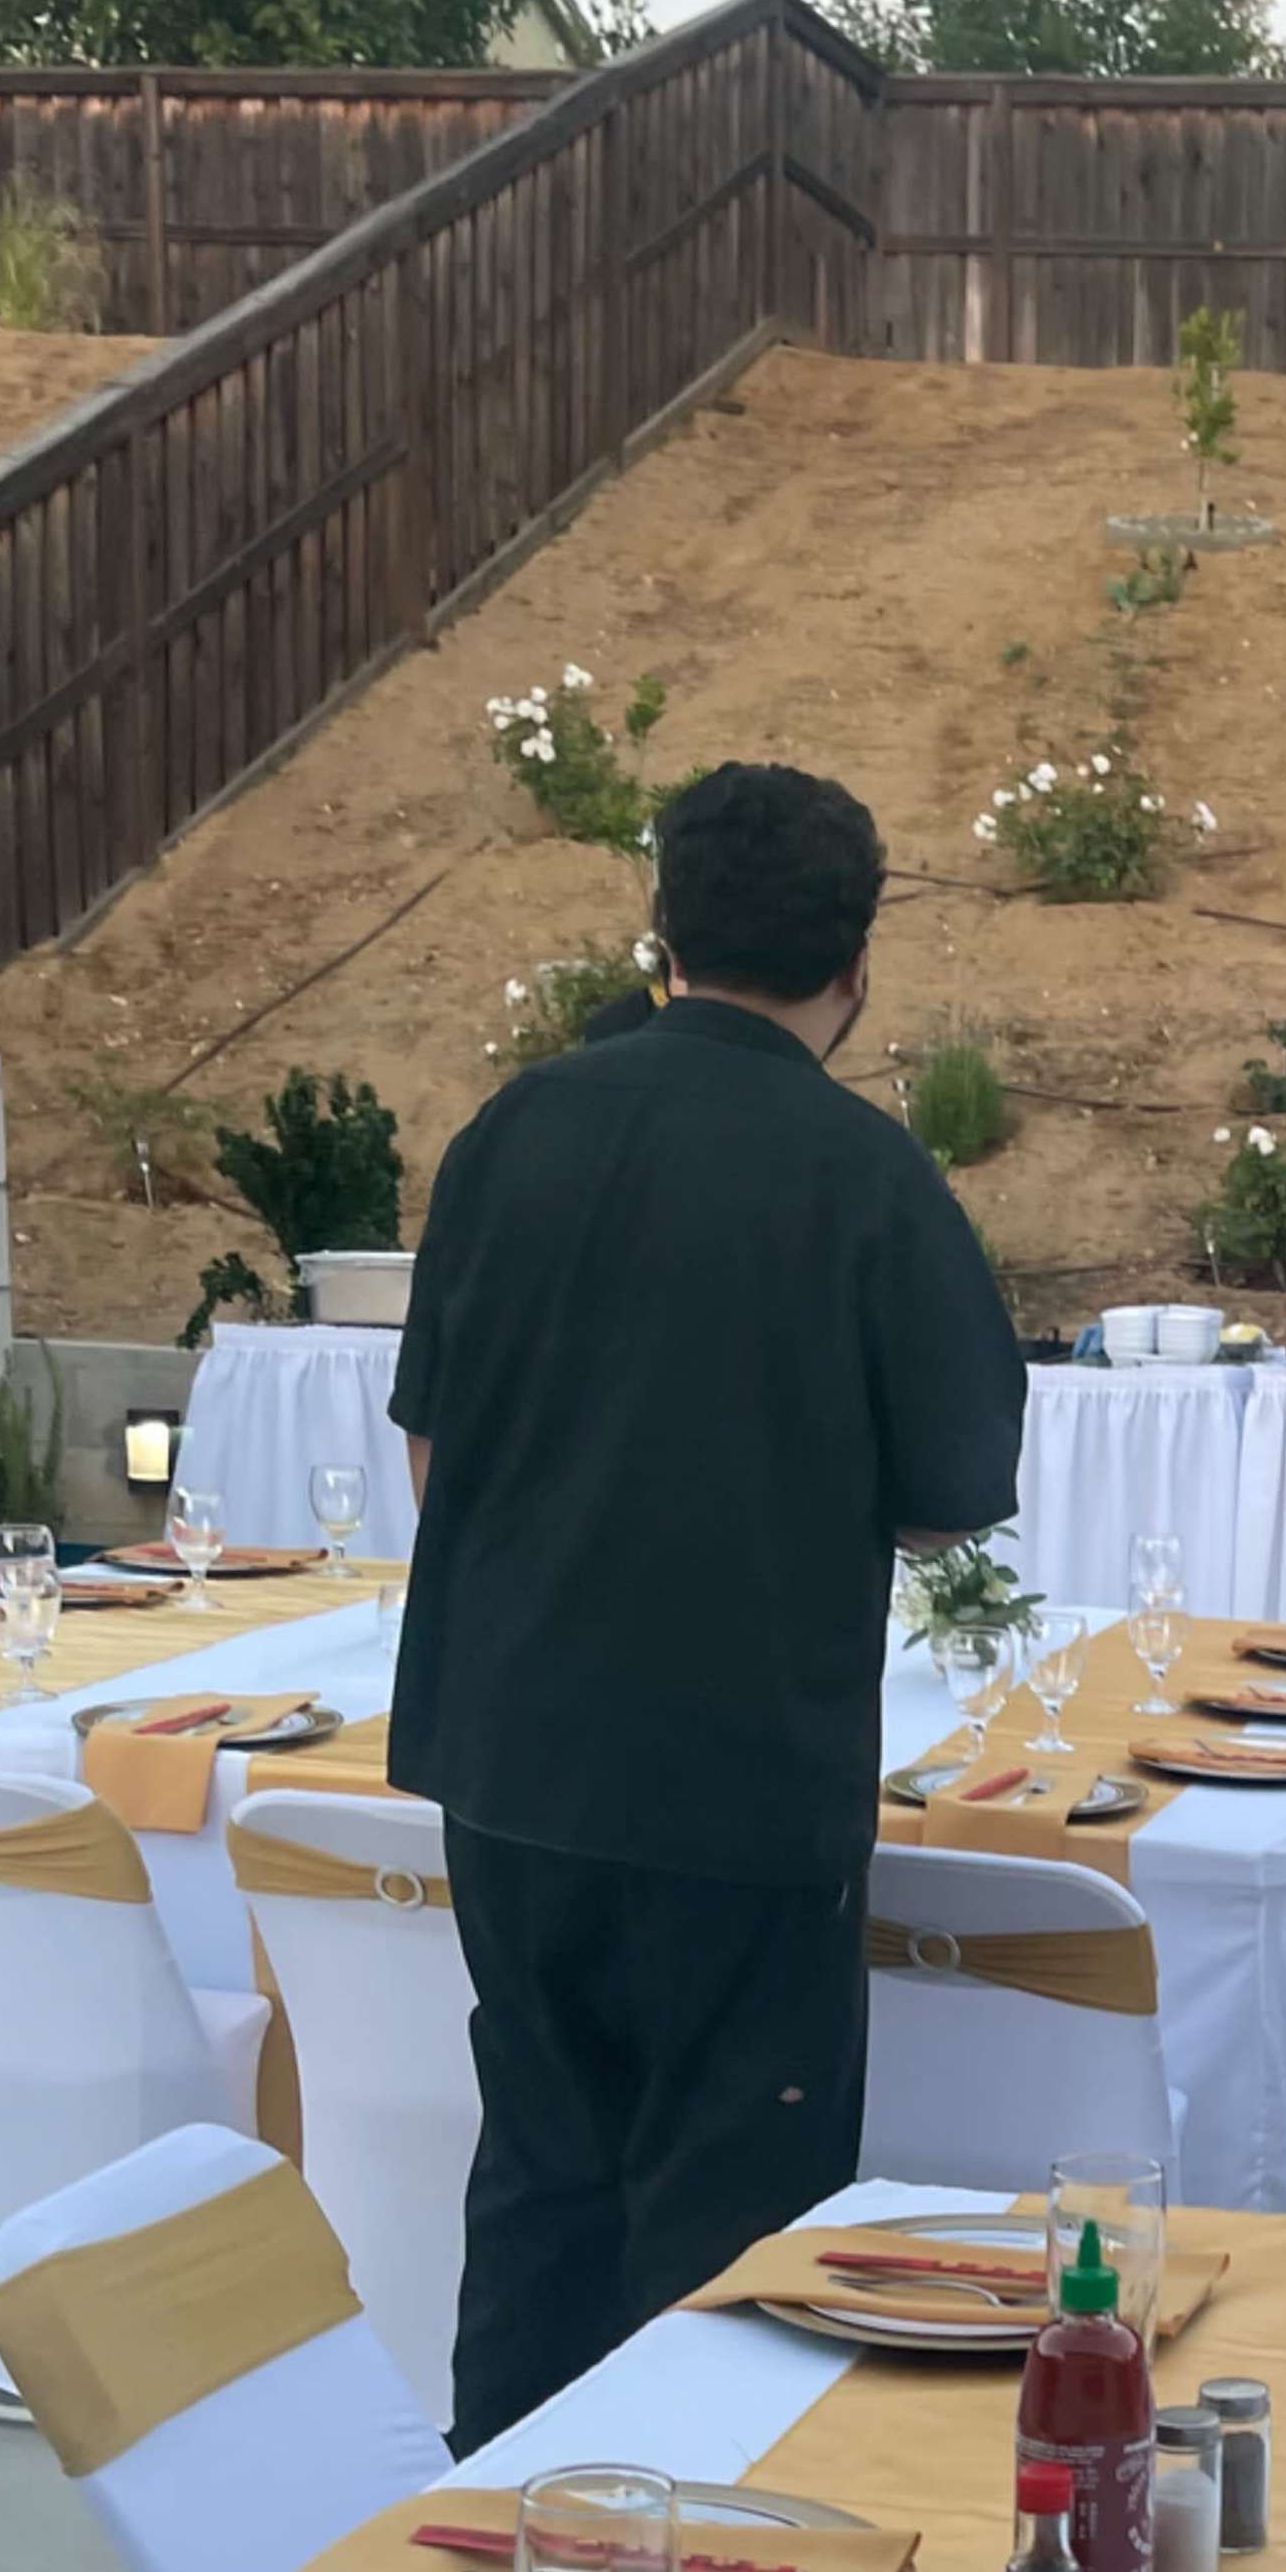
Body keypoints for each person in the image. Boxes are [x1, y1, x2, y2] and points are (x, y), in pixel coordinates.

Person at [391, 760, 1025, 2444]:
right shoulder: (870, 1179)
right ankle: (702, 2557)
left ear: (658, 931)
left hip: (508, 1765)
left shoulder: (513, 1130)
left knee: (538, 2174)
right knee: (731, 2215)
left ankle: (496, 2550)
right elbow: (951, 1499)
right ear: (857, 966)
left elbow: (434, 1459)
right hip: (740, 1782)